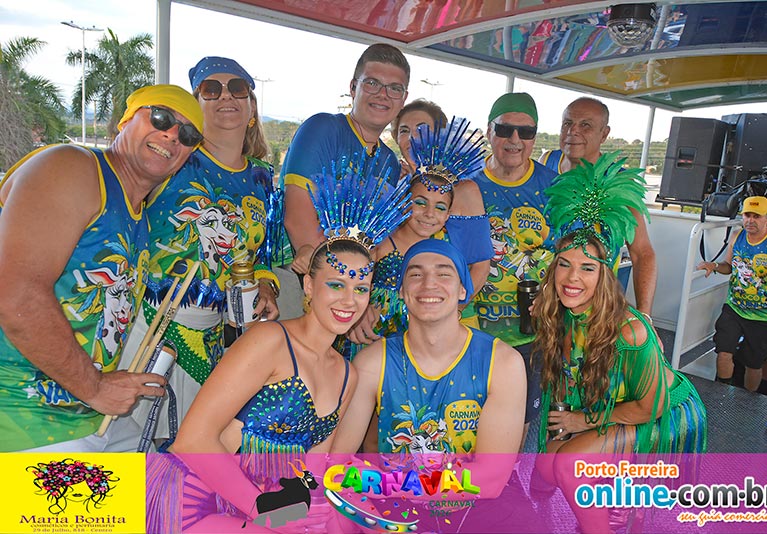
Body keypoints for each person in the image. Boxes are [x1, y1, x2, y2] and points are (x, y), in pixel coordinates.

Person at [146, 150, 410, 533]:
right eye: (336, 285)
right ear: (308, 285)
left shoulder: (347, 376)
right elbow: (193, 440)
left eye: (361, 288)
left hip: (266, 514)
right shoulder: (269, 341)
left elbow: (311, 474)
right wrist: (272, 513)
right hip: (199, 503)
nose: (348, 300)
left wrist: (312, 511)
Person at [0, 84, 203, 452]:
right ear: (124, 122)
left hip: (87, 416)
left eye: (188, 134)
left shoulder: (137, 213)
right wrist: (95, 387)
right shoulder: (72, 167)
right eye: (161, 117)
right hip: (21, 415)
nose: (172, 133)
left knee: (171, 497)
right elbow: (15, 295)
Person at [532, 153, 707, 534]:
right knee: (549, 464)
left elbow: (651, 405)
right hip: (610, 404)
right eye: (564, 263)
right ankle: (616, 499)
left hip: (662, 414)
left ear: (607, 274)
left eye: (588, 268)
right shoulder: (557, 311)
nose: (571, 278)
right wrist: (565, 430)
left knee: (567, 467)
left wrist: (583, 422)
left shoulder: (630, 331)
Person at [119, 57, 282, 445]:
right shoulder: (173, 159)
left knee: (185, 449)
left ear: (252, 106)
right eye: (212, 89)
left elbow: (263, 253)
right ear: (197, 104)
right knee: (124, 443)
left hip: (211, 339)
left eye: (238, 88)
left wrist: (265, 285)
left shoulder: (262, 175)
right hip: (145, 326)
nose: (226, 96)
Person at [332, 239, 526, 476]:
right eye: (415, 275)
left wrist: (391, 483)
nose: (429, 284)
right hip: (390, 509)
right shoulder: (372, 363)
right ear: (402, 291)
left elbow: (491, 478)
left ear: (463, 290)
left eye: (443, 274)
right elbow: (335, 462)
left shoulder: (503, 364)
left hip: (474, 510)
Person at [348, 118, 487, 349]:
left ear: (448, 215)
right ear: (404, 203)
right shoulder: (379, 243)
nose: (430, 213)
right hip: (370, 341)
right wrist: (359, 311)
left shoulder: (445, 254)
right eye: (420, 203)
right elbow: (350, 283)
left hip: (422, 346)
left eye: (440, 207)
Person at [280, 43, 410, 279]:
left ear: (403, 99)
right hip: (300, 273)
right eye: (372, 83)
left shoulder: (389, 161)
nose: (383, 94)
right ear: (353, 87)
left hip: (351, 283)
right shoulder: (322, 129)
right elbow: (297, 220)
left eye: (395, 88)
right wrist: (340, 282)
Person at [472, 92, 558, 437]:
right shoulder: (466, 184)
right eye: (505, 129)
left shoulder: (554, 188)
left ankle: (505, 486)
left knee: (518, 418)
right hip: (471, 328)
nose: (514, 140)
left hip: (529, 332)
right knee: (468, 412)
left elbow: (568, 253)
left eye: (526, 132)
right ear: (488, 131)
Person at [539, 96, 657, 315]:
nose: (573, 131)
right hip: (541, 303)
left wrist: (645, 315)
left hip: (592, 309)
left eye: (585, 125)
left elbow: (642, 253)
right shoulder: (546, 162)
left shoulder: (619, 184)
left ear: (604, 134)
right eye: (567, 123)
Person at [388, 100, 493, 328]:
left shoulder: (465, 190)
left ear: (440, 137)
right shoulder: (392, 186)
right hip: (393, 322)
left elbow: (481, 266)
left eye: (422, 130)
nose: (413, 138)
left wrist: (450, 313)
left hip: (452, 321)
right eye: (404, 130)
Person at [697, 196, 767, 391]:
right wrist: (714, 266)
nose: (750, 220)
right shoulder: (737, 236)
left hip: (765, 316)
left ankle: (748, 402)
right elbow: (729, 267)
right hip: (734, 308)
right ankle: (721, 393)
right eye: (747, 215)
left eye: (756, 216)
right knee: (724, 352)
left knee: (753, 364)